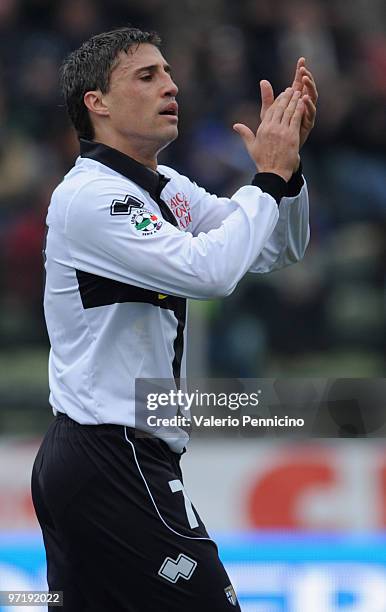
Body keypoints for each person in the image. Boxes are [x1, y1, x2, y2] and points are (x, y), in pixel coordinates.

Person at [31, 26, 317, 612]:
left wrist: (286, 172)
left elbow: (271, 248)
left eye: (167, 72)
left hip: (107, 457)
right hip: (111, 455)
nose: (171, 85)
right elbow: (209, 272)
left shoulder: (163, 188)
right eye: (147, 76)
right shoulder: (94, 197)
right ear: (97, 103)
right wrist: (264, 178)